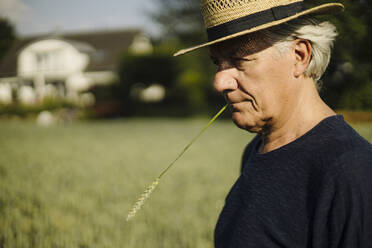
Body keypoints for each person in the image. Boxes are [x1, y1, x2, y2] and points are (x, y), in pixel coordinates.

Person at [174, 0, 372, 247]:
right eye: (218, 63)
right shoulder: (256, 151)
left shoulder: (351, 170)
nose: (220, 82)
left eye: (239, 60)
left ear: (300, 56)